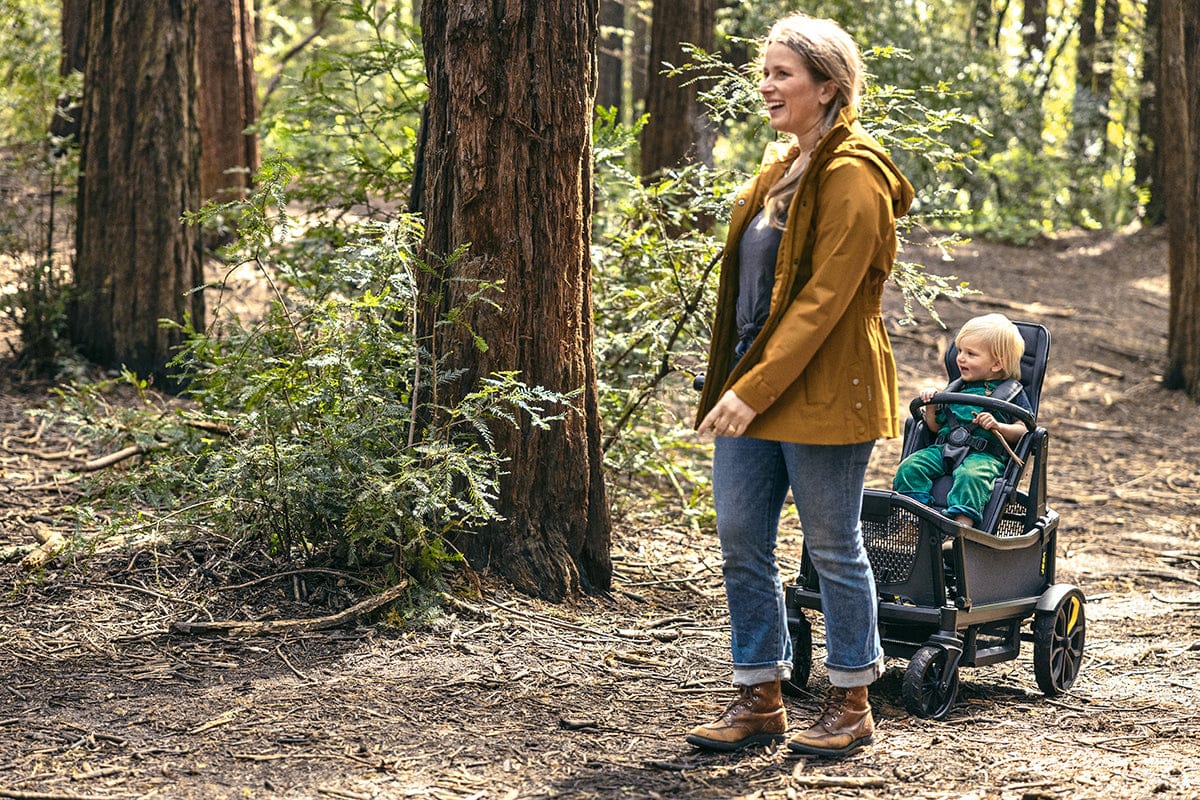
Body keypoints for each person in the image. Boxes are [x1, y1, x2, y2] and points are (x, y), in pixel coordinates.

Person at [688, 13, 914, 758]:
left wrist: (751, 389)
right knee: (740, 538)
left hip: (826, 384)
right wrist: (737, 380)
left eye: (782, 73)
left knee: (832, 545)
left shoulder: (855, 175)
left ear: (827, 87)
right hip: (756, 378)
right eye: (765, 72)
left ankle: (851, 699)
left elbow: (825, 301)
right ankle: (760, 693)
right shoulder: (783, 170)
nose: (766, 85)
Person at [892, 313, 1032, 527]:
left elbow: (1024, 430)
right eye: (959, 351)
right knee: (910, 467)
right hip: (943, 448)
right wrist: (931, 405)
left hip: (984, 455)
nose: (960, 358)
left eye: (970, 354)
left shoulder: (1013, 392)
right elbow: (934, 427)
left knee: (971, 476)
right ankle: (912, 523)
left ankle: (961, 529)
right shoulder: (955, 389)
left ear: (996, 364)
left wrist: (999, 426)